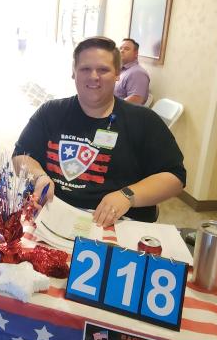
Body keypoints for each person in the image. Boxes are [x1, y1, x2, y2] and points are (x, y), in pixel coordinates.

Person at [13, 36, 186, 227]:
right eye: (85, 69)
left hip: (119, 223)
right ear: (73, 73)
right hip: (54, 215)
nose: (94, 76)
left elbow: (175, 177)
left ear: (117, 73)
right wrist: (39, 176)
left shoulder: (144, 120)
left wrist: (127, 195)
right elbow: (21, 154)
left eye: (103, 69)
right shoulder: (50, 112)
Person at [113, 38, 150, 105]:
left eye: (126, 49)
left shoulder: (138, 73)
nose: (122, 51)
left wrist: (109, 108)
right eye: (120, 48)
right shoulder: (121, 69)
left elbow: (135, 101)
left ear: (135, 53)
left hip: (120, 113)